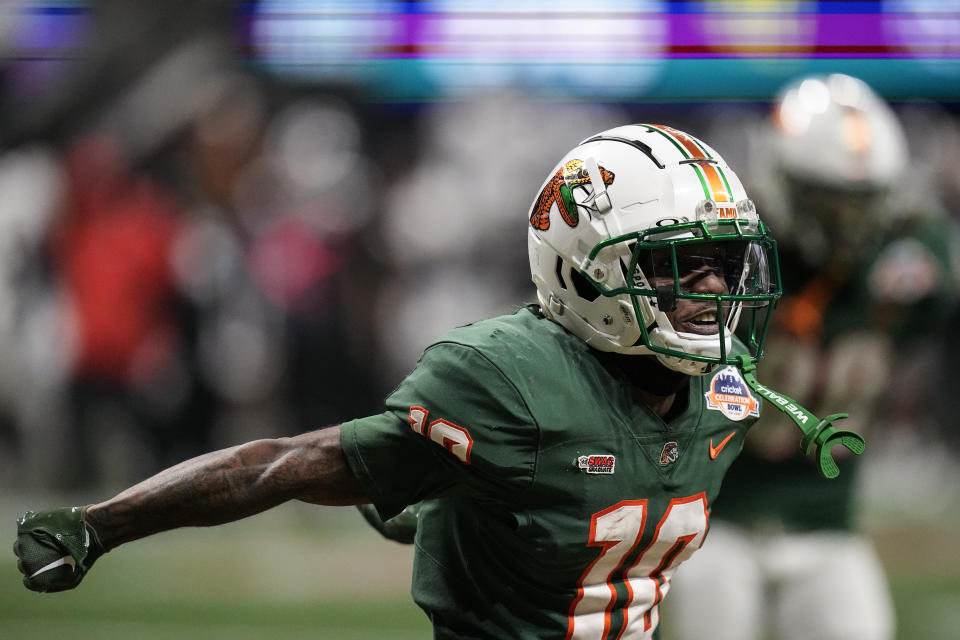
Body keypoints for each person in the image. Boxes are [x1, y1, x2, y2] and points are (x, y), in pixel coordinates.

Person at [17, 124, 800, 639]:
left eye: (722, 268)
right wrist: (102, 524)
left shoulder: (723, 393)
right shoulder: (511, 383)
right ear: (587, 274)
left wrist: (458, 506)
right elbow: (281, 464)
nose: (712, 297)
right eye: (678, 270)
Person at [665, 75, 958, 640]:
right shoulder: (730, 257)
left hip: (828, 520)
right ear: (785, 185)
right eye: (830, 205)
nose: (850, 227)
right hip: (715, 514)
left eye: (862, 205)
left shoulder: (914, 265)